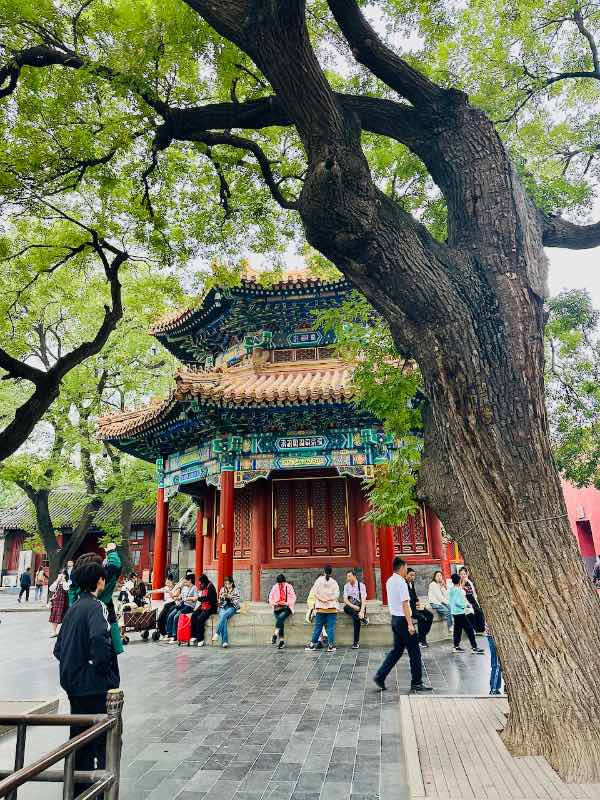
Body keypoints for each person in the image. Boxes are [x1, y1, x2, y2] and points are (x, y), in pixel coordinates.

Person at [53, 559, 120, 797]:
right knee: (102, 741)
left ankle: (76, 790)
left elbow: (58, 649)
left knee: (79, 740)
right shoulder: (96, 607)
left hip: (74, 685)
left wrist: (73, 668)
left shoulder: (73, 609)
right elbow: (100, 641)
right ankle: (102, 790)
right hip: (94, 686)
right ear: (99, 581)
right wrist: (105, 673)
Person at [374, 557, 432, 692]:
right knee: (415, 652)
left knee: (397, 651)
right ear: (402, 567)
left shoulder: (389, 581)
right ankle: (416, 682)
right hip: (403, 620)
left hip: (395, 619)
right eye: (406, 567)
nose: (407, 569)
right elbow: (405, 603)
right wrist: (410, 624)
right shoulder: (401, 582)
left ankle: (380, 676)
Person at [305, 566, 340, 654]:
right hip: (332, 607)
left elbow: (315, 593)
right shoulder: (334, 582)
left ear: (324, 572)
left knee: (318, 627)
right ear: (331, 572)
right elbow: (337, 595)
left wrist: (322, 599)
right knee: (330, 628)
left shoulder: (318, 581)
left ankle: (312, 644)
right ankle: (330, 646)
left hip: (320, 607)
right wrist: (328, 599)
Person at [448, 573, 484, 654]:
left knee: (457, 630)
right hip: (460, 613)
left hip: (455, 612)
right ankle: (474, 647)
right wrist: (466, 605)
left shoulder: (452, 589)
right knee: (469, 630)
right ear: (459, 580)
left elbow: (452, 601)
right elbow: (458, 602)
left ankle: (456, 646)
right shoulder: (458, 590)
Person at [166, 573, 198, 641]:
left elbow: (195, 598)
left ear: (190, 580)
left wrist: (188, 598)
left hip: (189, 606)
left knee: (176, 616)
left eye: (186, 582)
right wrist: (176, 597)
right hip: (183, 604)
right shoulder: (184, 588)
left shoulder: (194, 588)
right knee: (171, 615)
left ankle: (175, 636)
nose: (185, 583)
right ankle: (169, 634)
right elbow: (180, 596)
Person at [406, 568, 434, 647]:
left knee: (430, 615)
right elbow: (408, 598)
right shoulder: (404, 584)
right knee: (421, 618)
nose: (412, 577)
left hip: (415, 606)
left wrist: (418, 602)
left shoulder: (412, 583)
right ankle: (421, 640)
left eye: (414, 575)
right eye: (411, 575)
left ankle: (422, 635)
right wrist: (415, 604)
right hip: (409, 608)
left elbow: (414, 594)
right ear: (406, 575)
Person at [268, 574, 297, 649]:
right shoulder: (275, 587)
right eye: (279, 583)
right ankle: (281, 641)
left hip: (286, 607)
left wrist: (286, 603)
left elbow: (294, 597)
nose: (280, 585)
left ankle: (275, 634)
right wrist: (276, 603)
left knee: (280, 618)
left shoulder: (289, 587)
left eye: (282, 583)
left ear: (284, 582)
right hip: (277, 607)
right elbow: (270, 598)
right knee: (280, 620)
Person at [343, 569, 368, 649]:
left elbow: (364, 600)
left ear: (354, 576)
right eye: (347, 576)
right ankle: (363, 619)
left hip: (360, 605)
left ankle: (355, 642)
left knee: (356, 619)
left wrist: (361, 611)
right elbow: (345, 599)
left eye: (349, 576)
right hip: (351, 606)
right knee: (346, 607)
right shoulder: (346, 586)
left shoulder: (361, 586)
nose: (348, 578)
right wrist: (354, 607)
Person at [191, 574, 218, 646]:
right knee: (194, 615)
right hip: (204, 605)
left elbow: (207, 598)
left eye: (201, 583)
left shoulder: (210, 587)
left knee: (200, 619)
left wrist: (197, 598)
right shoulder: (204, 586)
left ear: (204, 582)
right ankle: (194, 635)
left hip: (211, 607)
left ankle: (200, 639)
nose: (200, 584)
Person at [213, 576, 241, 648]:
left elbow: (236, 602)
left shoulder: (236, 590)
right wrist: (223, 598)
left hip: (232, 607)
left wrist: (229, 597)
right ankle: (224, 642)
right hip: (223, 607)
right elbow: (220, 601)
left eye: (229, 584)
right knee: (223, 618)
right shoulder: (222, 589)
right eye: (226, 584)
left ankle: (217, 633)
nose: (227, 585)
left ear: (232, 583)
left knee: (224, 615)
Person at [459, 566, 485, 633]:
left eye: (464, 574)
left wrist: (475, 599)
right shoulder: (458, 583)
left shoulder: (469, 582)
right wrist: (463, 583)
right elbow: (460, 593)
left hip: (472, 598)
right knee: (470, 613)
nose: (463, 575)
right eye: (461, 574)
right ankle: (475, 629)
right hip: (465, 600)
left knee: (479, 612)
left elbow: (473, 592)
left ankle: (481, 629)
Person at [49, 570, 69, 637]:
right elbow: (51, 589)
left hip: (64, 602)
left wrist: (63, 581)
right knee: (55, 616)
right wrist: (57, 581)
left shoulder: (67, 582)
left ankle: (64, 631)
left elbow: (66, 588)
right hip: (56, 602)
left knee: (64, 616)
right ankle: (54, 631)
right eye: (60, 574)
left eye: (63, 574)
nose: (61, 575)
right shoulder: (56, 582)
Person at [486, 621, 502, 695]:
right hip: (494, 636)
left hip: (491, 635)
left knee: (496, 664)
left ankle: (495, 688)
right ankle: (494, 688)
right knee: (497, 664)